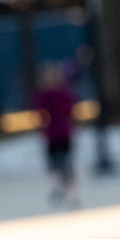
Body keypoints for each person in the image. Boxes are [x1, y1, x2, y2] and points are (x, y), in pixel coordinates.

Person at [32, 63, 79, 206]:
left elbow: (41, 113)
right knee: (60, 164)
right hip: (57, 133)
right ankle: (67, 188)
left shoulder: (48, 95)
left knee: (59, 164)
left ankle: (67, 189)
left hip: (58, 133)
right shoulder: (61, 93)